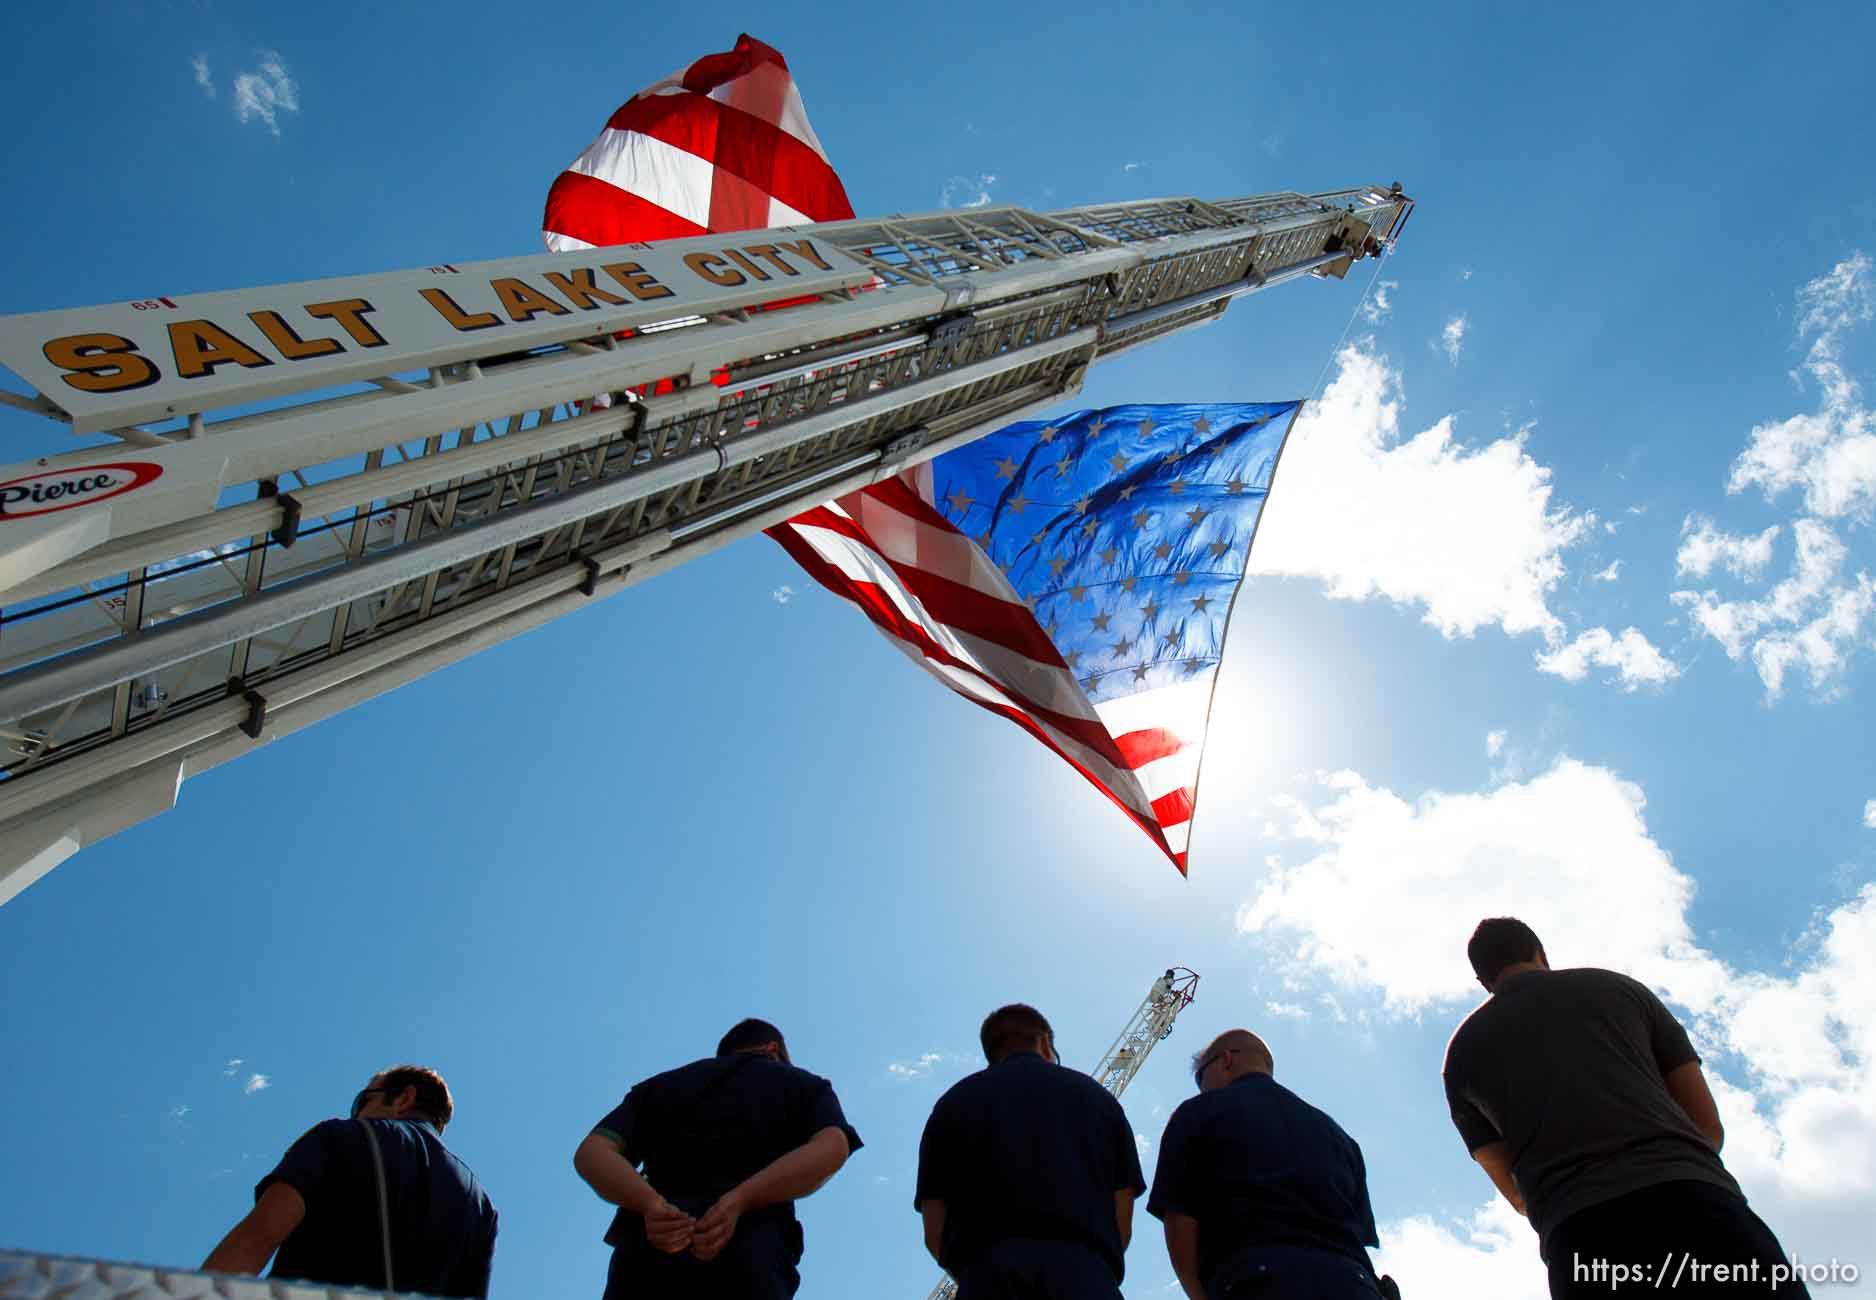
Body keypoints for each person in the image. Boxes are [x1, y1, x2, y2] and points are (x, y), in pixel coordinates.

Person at [1444, 917, 1808, 1299]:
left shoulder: (1461, 1055)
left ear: (1483, 980)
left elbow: (1516, 1194)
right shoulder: (1621, 990)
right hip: (1697, 1204)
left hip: (1581, 1238)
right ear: (1540, 952)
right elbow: (1707, 1123)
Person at [574, 1017, 861, 1299]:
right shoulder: (802, 1083)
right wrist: (740, 1199)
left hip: (644, 1258)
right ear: (773, 1049)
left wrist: (650, 1205)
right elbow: (833, 1146)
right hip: (751, 1258)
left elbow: (593, 1152)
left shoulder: (659, 1087)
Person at [202, 1064, 498, 1298]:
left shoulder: (339, 1137)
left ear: (404, 1098)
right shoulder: (481, 1206)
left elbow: (261, 1234)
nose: (357, 1113)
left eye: (362, 1101)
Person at [914, 1003, 1146, 1299]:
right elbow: (1122, 1212)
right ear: (1044, 1042)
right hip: (1086, 1274)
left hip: (985, 1276)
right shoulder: (1098, 1099)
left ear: (991, 1051)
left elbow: (934, 1224)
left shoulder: (952, 1106)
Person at [1147, 1028, 1387, 1299]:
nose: (1202, 1087)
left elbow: (1180, 1222)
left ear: (1226, 1059)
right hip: (1354, 1284)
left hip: (1255, 1281)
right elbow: (1359, 1235)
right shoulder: (1339, 1136)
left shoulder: (1197, 1113)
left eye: (1201, 1077)